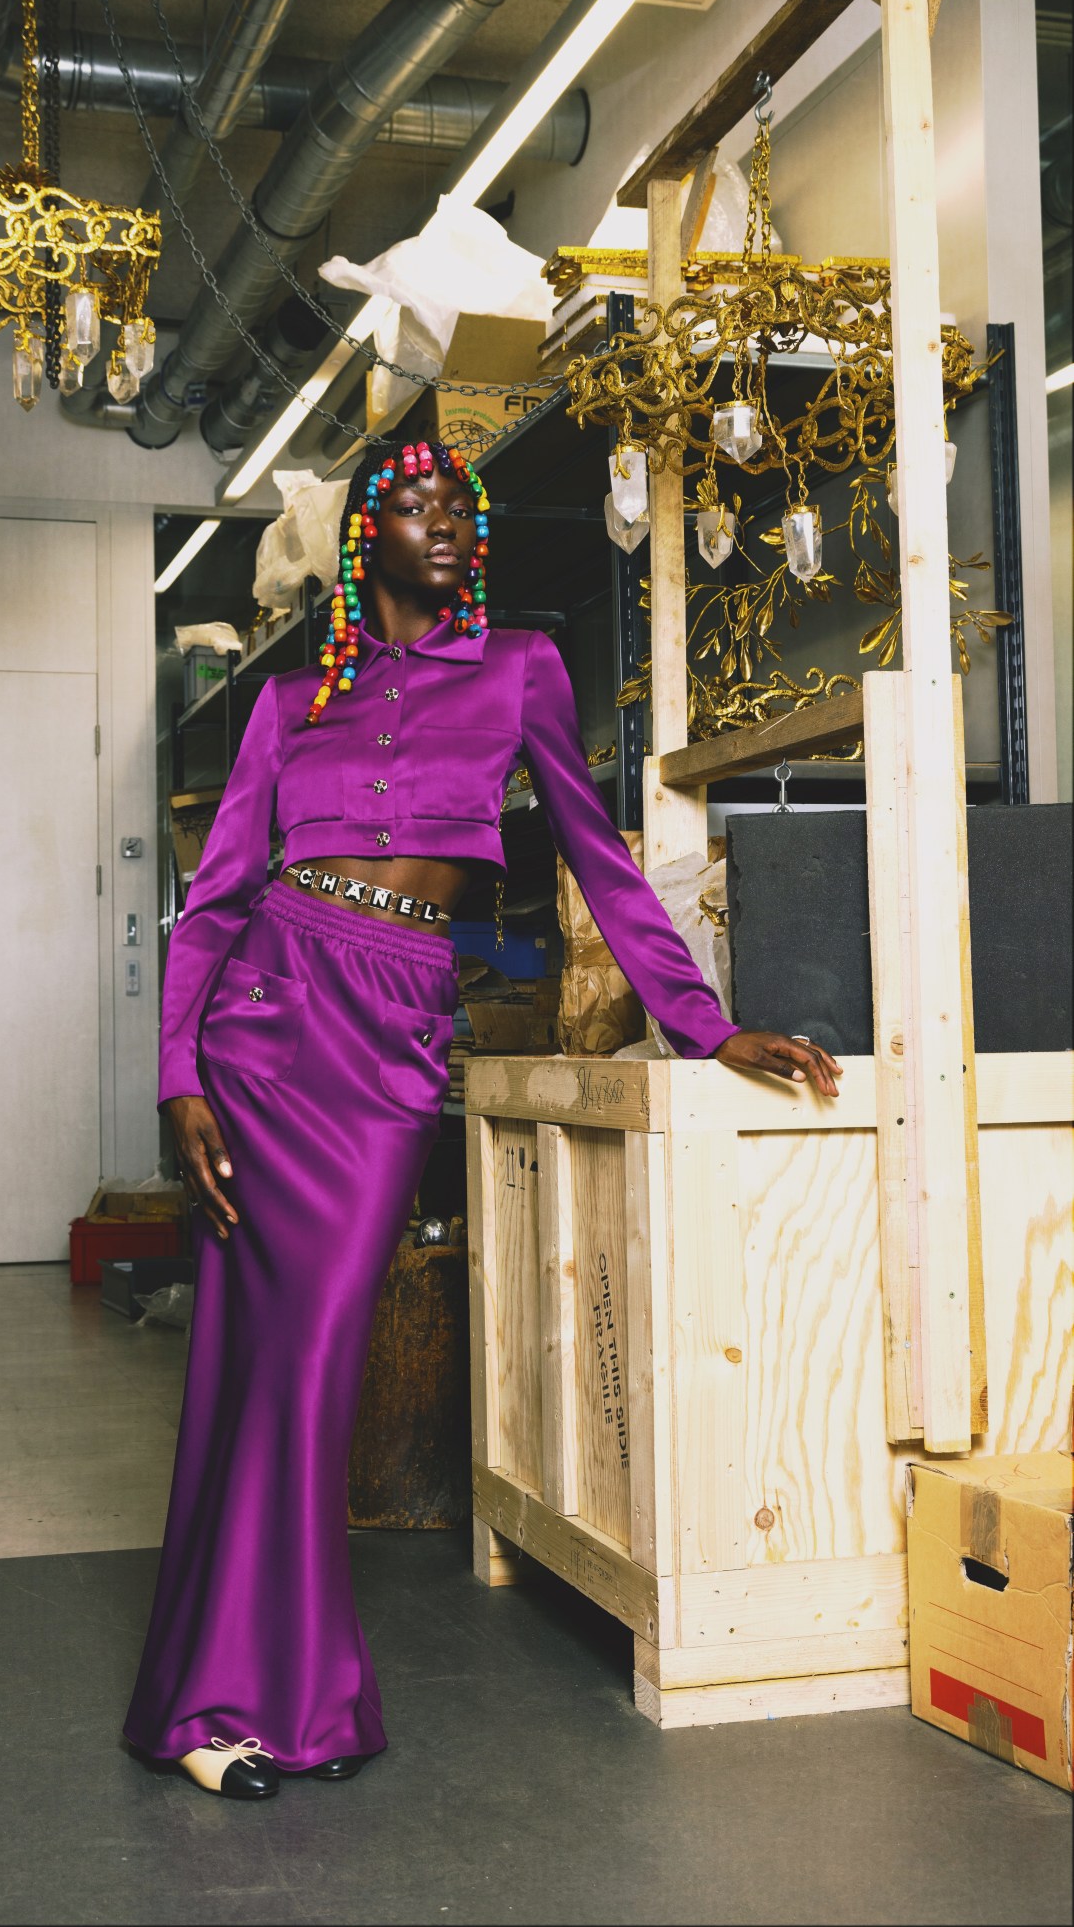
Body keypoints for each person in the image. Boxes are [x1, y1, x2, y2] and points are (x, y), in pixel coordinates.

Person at [124, 441, 841, 1800]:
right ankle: (251, 1705)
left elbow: (599, 859)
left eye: (465, 506)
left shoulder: (521, 671)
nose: (450, 522)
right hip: (265, 1023)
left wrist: (703, 1020)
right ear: (362, 540)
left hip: (389, 1039)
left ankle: (256, 1691)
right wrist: (179, 1077)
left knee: (316, 1357)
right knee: (257, 1363)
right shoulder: (283, 702)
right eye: (417, 505)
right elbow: (213, 903)